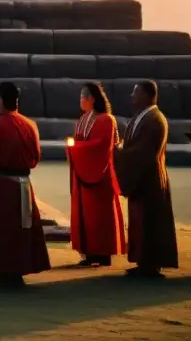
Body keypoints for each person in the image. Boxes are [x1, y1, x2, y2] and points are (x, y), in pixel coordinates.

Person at [0, 81, 51, 287]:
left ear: (1, 101)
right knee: (22, 228)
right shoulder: (30, 125)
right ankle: (20, 268)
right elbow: (35, 157)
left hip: (2, 184)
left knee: (3, 229)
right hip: (24, 183)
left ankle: (4, 270)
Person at [113, 80, 179, 278]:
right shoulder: (141, 118)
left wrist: (117, 152)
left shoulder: (155, 120)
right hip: (141, 178)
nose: (132, 97)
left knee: (150, 222)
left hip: (150, 179)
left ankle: (152, 263)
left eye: (135, 93)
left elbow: (143, 152)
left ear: (146, 95)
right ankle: (143, 261)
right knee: (140, 221)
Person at [66, 81, 126, 267]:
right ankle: (90, 252)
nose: (80, 101)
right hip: (83, 173)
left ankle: (103, 253)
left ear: (91, 99)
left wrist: (75, 148)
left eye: (82, 97)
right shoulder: (83, 119)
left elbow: (101, 147)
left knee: (100, 214)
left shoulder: (106, 120)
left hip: (101, 174)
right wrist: (75, 150)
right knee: (86, 215)